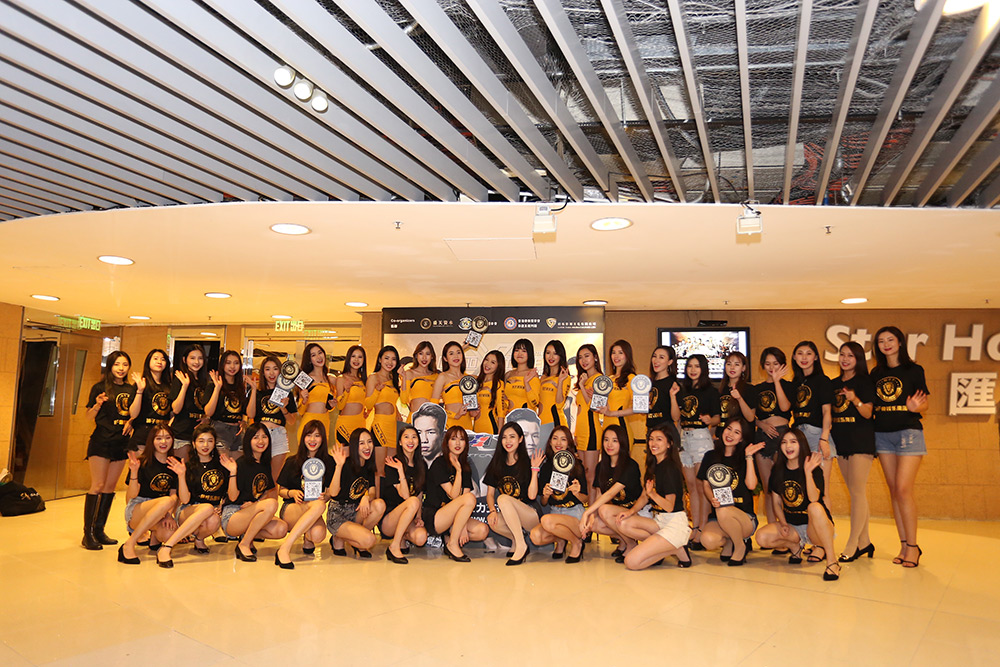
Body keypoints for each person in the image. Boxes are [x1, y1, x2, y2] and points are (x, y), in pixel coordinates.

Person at [872, 325, 929, 568]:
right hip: (882, 435)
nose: (886, 344)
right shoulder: (876, 373)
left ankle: (914, 547)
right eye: (881, 341)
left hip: (908, 433)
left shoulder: (914, 370)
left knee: (904, 490)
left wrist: (917, 407)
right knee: (894, 490)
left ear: (900, 343)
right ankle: (904, 544)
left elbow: (924, 403)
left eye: (890, 340)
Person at [755, 429, 840, 580]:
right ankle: (795, 546)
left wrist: (808, 473)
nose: (788, 446)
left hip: (816, 527)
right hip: (794, 526)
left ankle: (832, 561)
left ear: (801, 444)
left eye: (793, 442)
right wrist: (783, 523)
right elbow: (776, 503)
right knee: (762, 537)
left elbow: (814, 498)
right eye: (784, 442)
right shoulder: (778, 469)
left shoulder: (813, 467)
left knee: (814, 507)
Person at [155, 425, 230, 567]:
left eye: (210, 441)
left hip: (210, 513)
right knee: (207, 508)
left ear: (215, 443)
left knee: (214, 520)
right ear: (194, 444)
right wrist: (181, 475)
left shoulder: (222, 465)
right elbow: (184, 500)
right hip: (187, 510)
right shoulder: (187, 466)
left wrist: (221, 505)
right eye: (201, 441)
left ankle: (199, 539)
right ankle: (167, 547)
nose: (205, 445)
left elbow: (228, 494)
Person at [619, 424, 692, 570]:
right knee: (624, 523)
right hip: (660, 520)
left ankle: (674, 547)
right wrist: (630, 512)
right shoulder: (654, 465)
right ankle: (670, 547)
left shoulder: (669, 468)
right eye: (651, 439)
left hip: (674, 523)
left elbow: (669, 506)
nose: (653, 443)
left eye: (659, 439)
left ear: (669, 444)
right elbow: (644, 497)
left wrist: (652, 493)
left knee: (631, 562)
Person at [82, 350, 135, 550]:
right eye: (117, 364)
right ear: (110, 366)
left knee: (109, 487)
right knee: (97, 485)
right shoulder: (99, 387)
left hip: (121, 443)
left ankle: (99, 530)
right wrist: (97, 405)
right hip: (101, 442)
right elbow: (88, 417)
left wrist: (131, 421)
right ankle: (87, 534)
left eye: (125, 365)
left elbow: (135, 413)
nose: (121, 368)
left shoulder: (131, 389)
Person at [831, 341, 876, 562]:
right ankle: (865, 542)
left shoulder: (865, 382)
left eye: (850, 355)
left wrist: (855, 400)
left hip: (861, 441)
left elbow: (868, 413)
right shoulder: (834, 384)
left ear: (858, 359)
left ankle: (852, 544)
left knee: (857, 492)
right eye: (842, 354)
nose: (845, 359)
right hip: (841, 442)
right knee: (855, 493)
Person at [669, 354, 720, 549]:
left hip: (701, 438)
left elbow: (718, 418)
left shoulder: (711, 391)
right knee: (691, 486)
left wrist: (710, 420)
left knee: (701, 485)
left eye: (697, 366)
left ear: (703, 369)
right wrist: (673, 396)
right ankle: (696, 526)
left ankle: (703, 528)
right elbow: (676, 417)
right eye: (689, 366)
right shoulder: (682, 389)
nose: (692, 370)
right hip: (684, 438)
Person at [697, 418, 763, 566]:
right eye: (729, 429)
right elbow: (706, 485)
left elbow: (751, 485)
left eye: (737, 432)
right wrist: (712, 498)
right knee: (707, 540)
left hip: (744, 518)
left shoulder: (745, 457)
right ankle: (730, 541)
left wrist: (749, 457)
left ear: (741, 438)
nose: (730, 434)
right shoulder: (710, 456)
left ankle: (740, 546)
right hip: (719, 517)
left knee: (724, 508)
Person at [219, 424, 288, 562]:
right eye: (256, 437)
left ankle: (246, 536)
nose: (261, 441)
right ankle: (244, 544)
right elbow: (232, 497)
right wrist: (233, 472)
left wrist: (255, 504)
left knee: (281, 528)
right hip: (233, 515)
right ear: (248, 441)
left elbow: (266, 491)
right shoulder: (241, 463)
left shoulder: (265, 463)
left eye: (264, 437)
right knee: (271, 504)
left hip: (251, 512)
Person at [273, 420, 335, 568]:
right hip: (292, 508)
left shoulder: (329, 462)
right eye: (309, 435)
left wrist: (326, 496)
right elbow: (281, 491)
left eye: (317, 436)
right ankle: (284, 548)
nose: (312, 440)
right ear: (303, 437)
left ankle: (308, 538)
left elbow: (330, 492)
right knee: (319, 506)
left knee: (318, 535)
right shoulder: (292, 461)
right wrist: (292, 492)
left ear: (323, 438)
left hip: (314, 508)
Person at [423, 426, 490, 562]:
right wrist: (458, 471)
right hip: (436, 516)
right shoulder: (439, 464)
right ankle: (453, 544)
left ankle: (449, 538)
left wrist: (462, 526)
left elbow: (464, 500)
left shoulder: (466, 467)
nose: (458, 443)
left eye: (462, 439)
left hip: (454, 517)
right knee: (470, 498)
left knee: (482, 531)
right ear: (447, 443)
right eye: (453, 439)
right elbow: (454, 495)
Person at [117, 425, 180, 565]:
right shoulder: (142, 461)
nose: (163, 442)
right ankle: (129, 543)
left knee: (169, 533)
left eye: (167, 438)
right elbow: (132, 495)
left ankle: (154, 537)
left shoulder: (174, 463)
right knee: (166, 501)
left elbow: (174, 495)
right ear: (152, 440)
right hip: (138, 508)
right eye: (159, 438)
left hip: (162, 510)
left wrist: (169, 515)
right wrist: (134, 472)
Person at [579, 425, 643, 561]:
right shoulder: (601, 466)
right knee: (594, 524)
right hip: (619, 512)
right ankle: (624, 540)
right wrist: (592, 517)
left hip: (637, 511)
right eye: (606, 440)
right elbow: (599, 495)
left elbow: (609, 494)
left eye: (615, 441)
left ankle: (631, 544)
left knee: (604, 510)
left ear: (622, 443)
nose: (609, 444)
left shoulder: (630, 466)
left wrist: (587, 512)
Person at [484, 422, 543, 565]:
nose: (508, 441)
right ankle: (517, 541)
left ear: (520, 439)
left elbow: (532, 496)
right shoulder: (497, 464)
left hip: (530, 513)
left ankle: (521, 546)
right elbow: (490, 494)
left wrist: (534, 471)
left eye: (512, 437)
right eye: (504, 437)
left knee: (503, 499)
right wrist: (492, 511)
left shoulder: (527, 462)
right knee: (494, 522)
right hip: (510, 514)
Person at [529, 426, 589, 563]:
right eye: (555, 438)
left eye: (563, 439)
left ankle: (576, 543)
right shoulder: (546, 467)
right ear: (550, 442)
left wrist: (577, 493)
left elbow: (586, 498)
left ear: (569, 443)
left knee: (546, 520)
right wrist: (545, 495)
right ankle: (562, 540)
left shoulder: (576, 465)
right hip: (555, 512)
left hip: (575, 513)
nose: (558, 443)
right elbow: (544, 502)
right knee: (536, 536)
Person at [326, 428, 386, 558]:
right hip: (338, 513)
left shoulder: (369, 466)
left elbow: (373, 492)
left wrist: (366, 497)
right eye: (361, 443)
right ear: (354, 446)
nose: (367, 446)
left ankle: (354, 536)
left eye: (369, 442)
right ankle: (339, 537)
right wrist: (338, 466)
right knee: (369, 540)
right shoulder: (345, 464)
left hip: (356, 511)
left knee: (379, 504)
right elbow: (333, 493)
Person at [751, 347, 793, 528]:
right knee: (768, 487)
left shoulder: (788, 386)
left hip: (782, 435)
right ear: (762, 365)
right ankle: (771, 527)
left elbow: (784, 408)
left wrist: (777, 382)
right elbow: (750, 416)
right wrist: (761, 425)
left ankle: (785, 525)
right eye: (767, 364)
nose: (771, 367)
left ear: (782, 365)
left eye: (775, 364)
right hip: (762, 436)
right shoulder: (757, 389)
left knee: (781, 485)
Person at [791, 341, 835, 502]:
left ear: (815, 357)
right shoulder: (795, 382)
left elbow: (827, 412)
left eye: (808, 353)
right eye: (800, 353)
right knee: (804, 487)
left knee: (822, 489)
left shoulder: (822, 380)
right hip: (798, 436)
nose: (804, 357)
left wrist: (824, 438)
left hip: (817, 435)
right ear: (794, 357)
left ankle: (826, 519)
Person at [379, 426, 429, 564]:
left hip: (409, 516)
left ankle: (402, 537)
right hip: (389, 519)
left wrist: (418, 517)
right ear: (400, 442)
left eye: (414, 437)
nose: (410, 441)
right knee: (412, 501)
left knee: (421, 538)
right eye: (406, 437)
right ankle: (394, 546)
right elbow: (406, 496)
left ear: (418, 442)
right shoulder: (393, 463)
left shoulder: (421, 465)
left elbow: (419, 494)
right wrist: (400, 470)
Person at [169, 344, 222, 459]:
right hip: (182, 433)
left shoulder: (205, 382)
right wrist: (185, 386)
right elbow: (176, 409)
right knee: (182, 468)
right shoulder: (180, 379)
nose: (196, 362)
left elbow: (206, 409)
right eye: (192, 358)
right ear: (185, 360)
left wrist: (206, 418)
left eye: (200, 358)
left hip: (200, 434)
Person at [255, 354, 298, 480]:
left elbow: (292, 421)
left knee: (274, 479)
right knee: (260, 476)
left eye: (275, 369)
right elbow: (251, 415)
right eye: (267, 369)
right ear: (263, 373)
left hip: (279, 435)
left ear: (280, 371)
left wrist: (283, 408)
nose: (271, 373)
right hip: (261, 436)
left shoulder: (287, 393)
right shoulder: (258, 392)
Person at [572, 344, 602, 504]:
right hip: (582, 431)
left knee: (591, 475)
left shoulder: (600, 379)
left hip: (592, 431)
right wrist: (576, 433)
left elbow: (595, 407)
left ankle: (592, 511)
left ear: (595, 357)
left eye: (587, 356)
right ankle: (587, 508)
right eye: (580, 357)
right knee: (583, 474)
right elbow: (580, 410)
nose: (583, 360)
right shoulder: (583, 379)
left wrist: (583, 387)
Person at [365, 345, 401, 476]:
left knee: (390, 469)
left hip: (393, 427)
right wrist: (376, 391)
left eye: (393, 359)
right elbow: (368, 404)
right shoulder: (374, 377)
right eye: (386, 358)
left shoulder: (393, 379)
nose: (390, 362)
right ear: (380, 359)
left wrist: (397, 412)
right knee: (379, 470)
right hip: (380, 426)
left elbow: (391, 400)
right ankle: (376, 490)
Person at [127, 348, 171, 451]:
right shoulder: (141, 384)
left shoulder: (169, 386)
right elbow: (133, 414)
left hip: (163, 435)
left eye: (163, 359)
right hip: (143, 433)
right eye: (155, 358)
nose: (159, 362)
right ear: (148, 362)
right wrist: (140, 391)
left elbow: (172, 412)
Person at [212, 350, 252, 454]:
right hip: (220, 429)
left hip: (238, 431)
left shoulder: (241, 386)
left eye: (236, 363)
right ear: (222, 365)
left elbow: (244, 411)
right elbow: (208, 412)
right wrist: (217, 388)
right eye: (228, 363)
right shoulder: (214, 384)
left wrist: (244, 421)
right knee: (223, 462)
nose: (232, 366)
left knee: (237, 463)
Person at [646, 345, 680, 461]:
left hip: (666, 433)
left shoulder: (673, 384)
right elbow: (645, 412)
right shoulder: (648, 383)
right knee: (652, 467)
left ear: (670, 362)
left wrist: (672, 396)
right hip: (650, 432)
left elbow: (675, 417)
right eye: (654, 356)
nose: (656, 360)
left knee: (667, 468)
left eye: (661, 357)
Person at [600, 339, 636, 446]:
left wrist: (612, 413)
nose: (616, 356)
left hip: (620, 427)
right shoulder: (609, 379)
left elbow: (638, 408)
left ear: (627, 355)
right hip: (606, 427)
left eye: (620, 353)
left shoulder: (631, 378)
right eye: (613, 353)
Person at [297, 343, 336, 441]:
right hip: (309, 422)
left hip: (325, 421)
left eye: (320, 353)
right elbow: (300, 411)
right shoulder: (304, 378)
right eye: (313, 355)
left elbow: (330, 407)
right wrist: (304, 400)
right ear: (309, 360)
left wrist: (331, 406)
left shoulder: (331, 379)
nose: (318, 357)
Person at [432, 341, 475, 430]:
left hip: (467, 426)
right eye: (451, 354)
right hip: (450, 424)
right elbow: (433, 406)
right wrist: (454, 415)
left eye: (458, 353)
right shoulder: (443, 377)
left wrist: (475, 411)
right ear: (445, 358)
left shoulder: (469, 378)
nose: (456, 356)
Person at [335, 345, 368, 445]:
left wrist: (368, 410)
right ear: (348, 358)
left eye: (360, 357)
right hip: (345, 425)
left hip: (361, 424)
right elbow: (339, 406)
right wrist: (347, 391)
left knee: (359, 454)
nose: (356, 360)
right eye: (353, 356)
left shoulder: (364, 381)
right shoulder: (341, 378)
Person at [717, 351, 756, 431]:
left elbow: (750, 418)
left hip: (741, 435)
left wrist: (739, 398)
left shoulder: (749, 389)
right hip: (722, 435)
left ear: (743, 368)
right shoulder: (721, 389)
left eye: (737, 364)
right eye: (729, 364)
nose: (732, 367)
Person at [539, 340, 571, 429]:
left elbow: (559, 405)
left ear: (561, 356)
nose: (551, 357)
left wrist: (560, 382)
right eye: (548, 353)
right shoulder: (542, 378)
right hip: (541, 423)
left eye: (555, 353)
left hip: (556, 423)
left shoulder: (565, 378)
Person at [401, 341, 437, 417]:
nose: (424, 357)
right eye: (421, 353)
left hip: (431, 420)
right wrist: (404, 378)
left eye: (427, 354)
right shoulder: (409, 373)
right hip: (414, 419)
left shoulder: (437, 376)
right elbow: (404, 400)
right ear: (416, 356)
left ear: (432, 356)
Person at [473, 350, 506, 434]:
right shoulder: (476, 382)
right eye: (486, 360)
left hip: (491, 428)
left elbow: (501, 412)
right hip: (475, 429)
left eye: (493, 362)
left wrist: (499, 434)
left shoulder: (499, 384)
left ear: (499, 366)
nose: (487, 364)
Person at [504, 338, 540, 413]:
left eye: (524, 351)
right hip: (509, 418)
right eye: (517, 350)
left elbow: (535, 402)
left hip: (526, 417)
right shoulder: (508, 375)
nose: (519, 354)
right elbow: (502, 399)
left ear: (529, 354)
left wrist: (526, 383)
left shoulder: (532, 375)